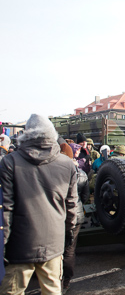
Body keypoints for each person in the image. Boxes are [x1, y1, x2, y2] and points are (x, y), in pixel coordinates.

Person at [0, 114, 78, 295]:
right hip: (54, 243)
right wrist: (67, 235)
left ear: (26, 134)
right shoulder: (67, 164)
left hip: (19, 245)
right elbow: (72, 206)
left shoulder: (10, 162)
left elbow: (6, 209)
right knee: (52, 291)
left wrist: (3, 244)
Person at [61, 141, 90, 294]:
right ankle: (66, 281)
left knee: (58, 249)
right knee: (70, 250)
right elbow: (84, 196)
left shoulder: (57, 171)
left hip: (59, 215)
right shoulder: (81, 173)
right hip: (76, 215)